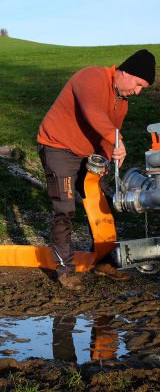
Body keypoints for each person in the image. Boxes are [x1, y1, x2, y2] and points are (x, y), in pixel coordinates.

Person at [37, 49, 156, 291]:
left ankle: (102, 261)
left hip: (86, 153)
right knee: (65, 207)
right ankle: (65, 270)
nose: (137, 91)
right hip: (58, 146)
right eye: (137, 84)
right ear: (125, 72)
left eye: (142, 88)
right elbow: (94, 114)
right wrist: (117, 140)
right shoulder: (91, 77)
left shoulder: (121, 105)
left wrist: (108, 156)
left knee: (101, 204)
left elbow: (106, 138)